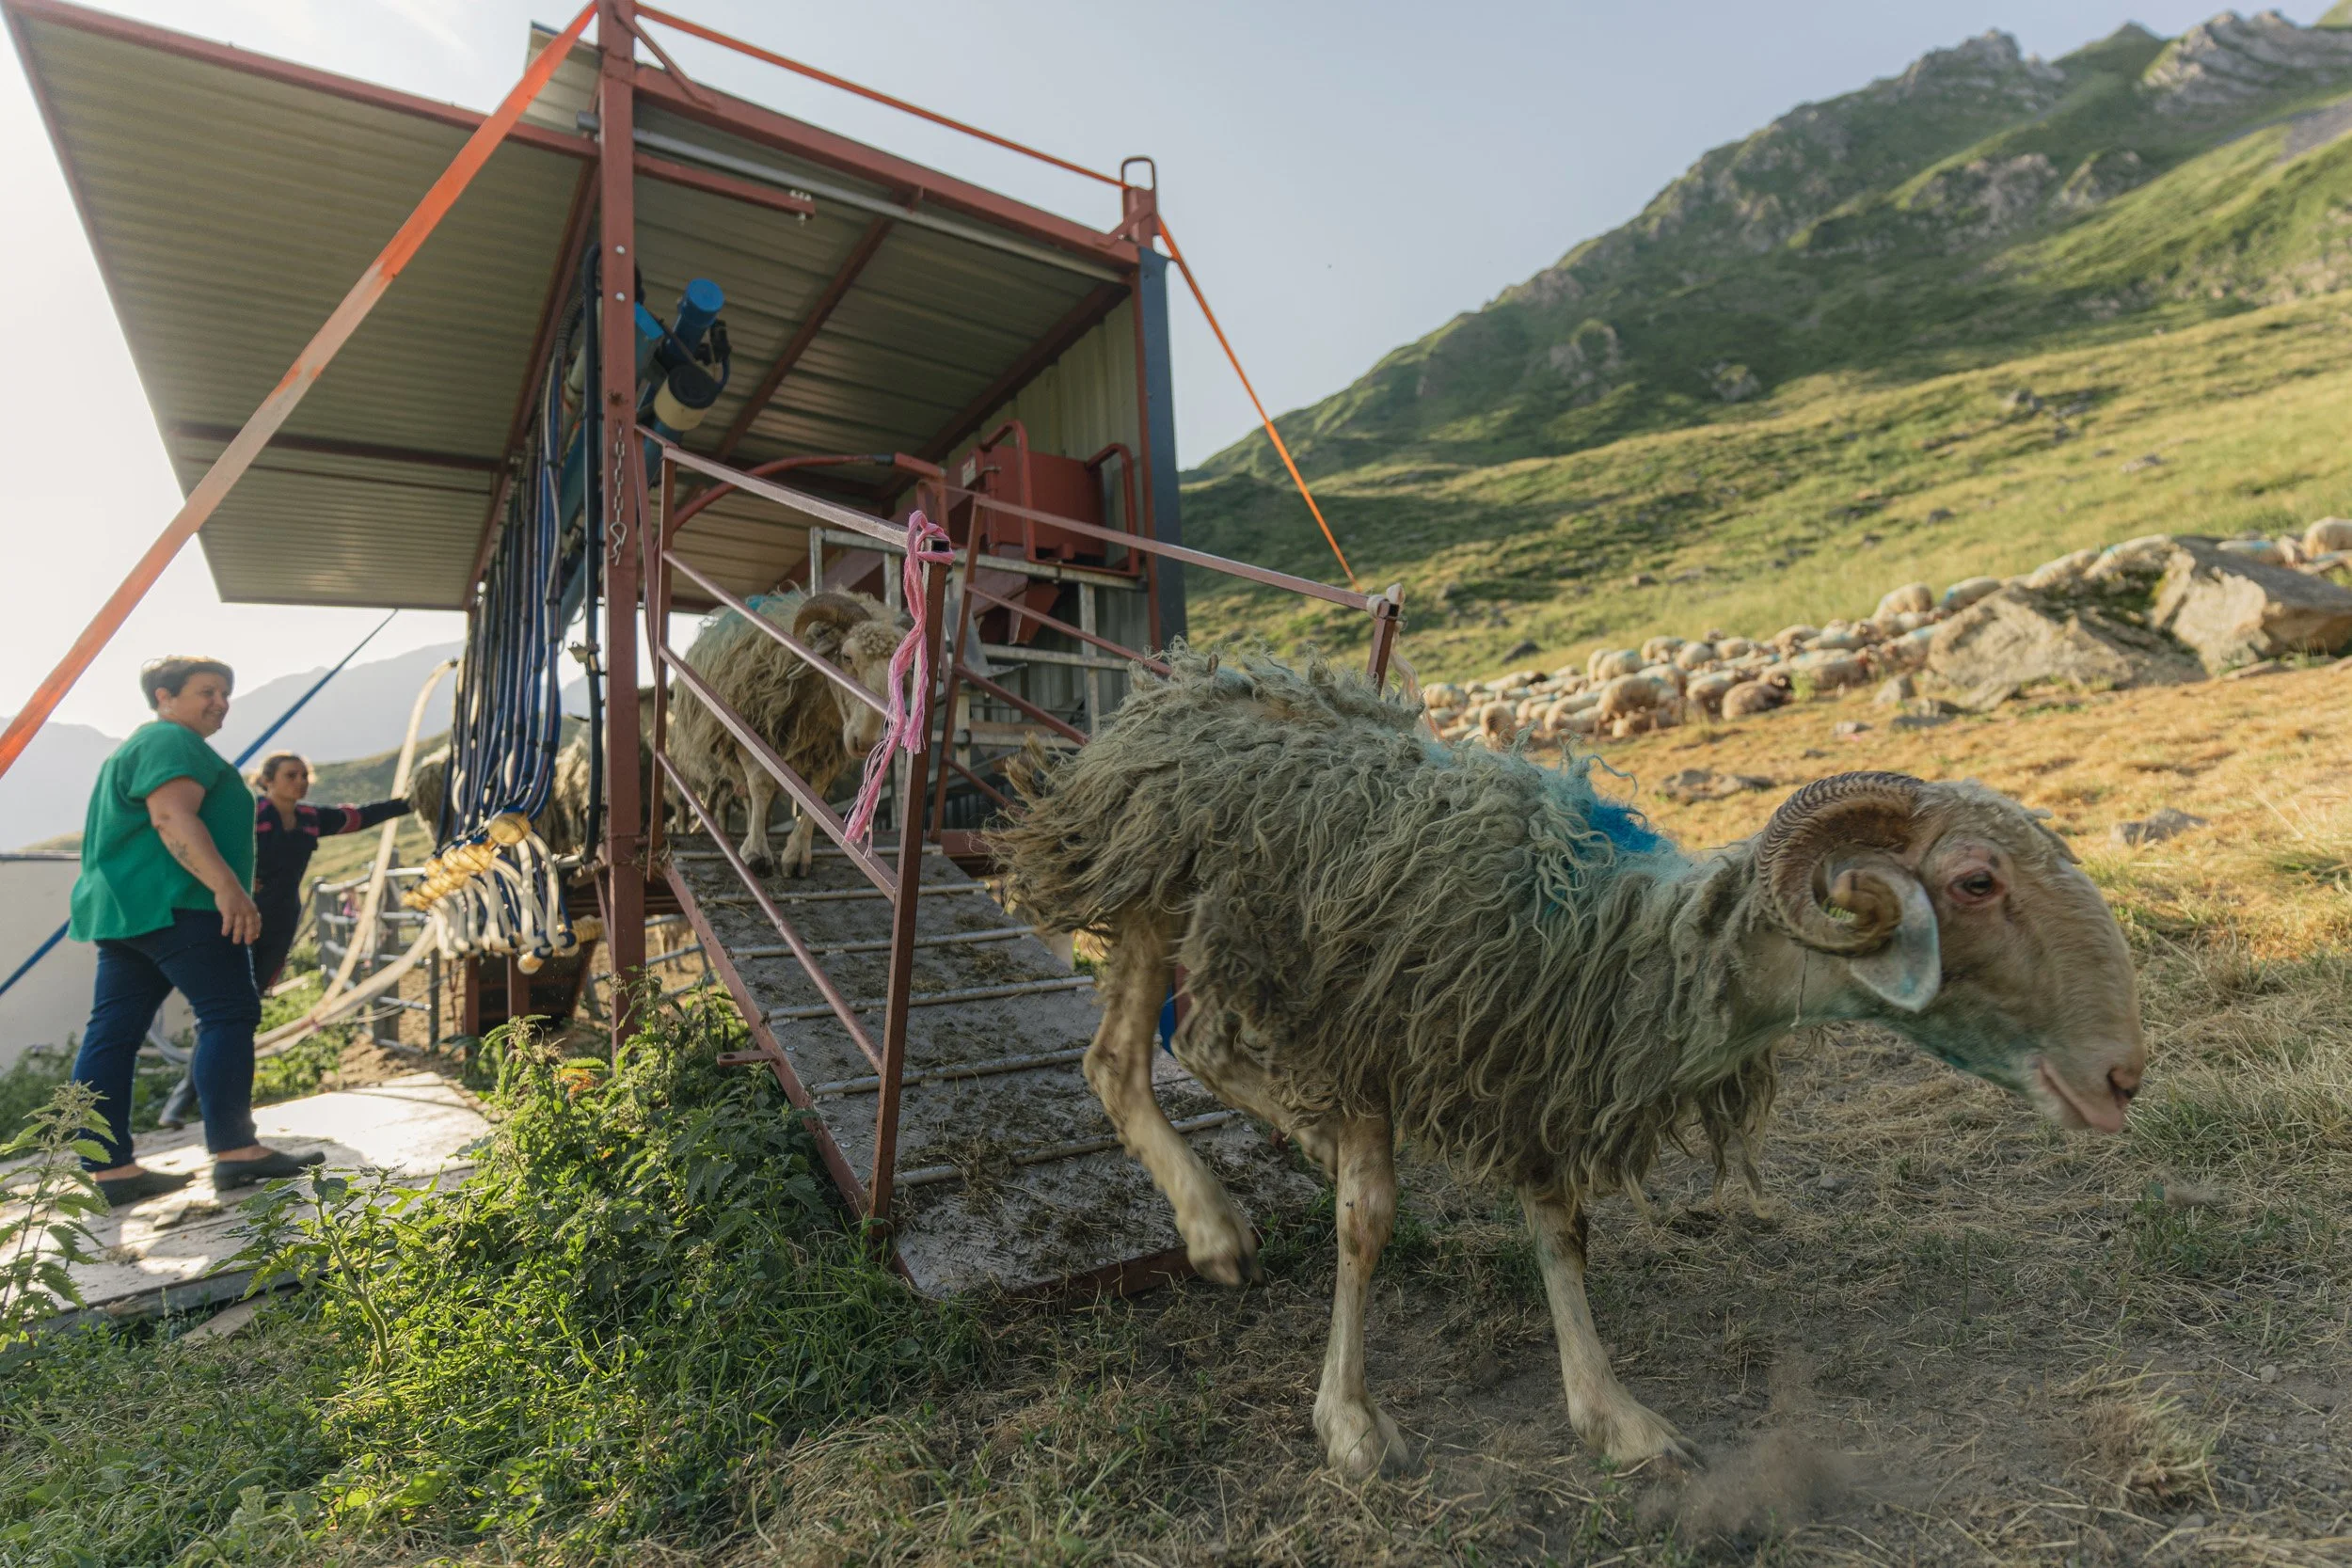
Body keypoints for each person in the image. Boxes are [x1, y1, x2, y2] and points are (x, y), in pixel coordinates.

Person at [67, 657, 325, 1206]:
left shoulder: (142, 746)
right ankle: (235, 1151)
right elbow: (171, 818)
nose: (220, 702)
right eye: (206, 691)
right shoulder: (170, 742)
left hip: (128, 911)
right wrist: (228, 888)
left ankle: (110, 1169)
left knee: (113, 1032)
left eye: (226, 693)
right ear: (165, 696)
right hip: (181, 904)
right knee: (230, 1012)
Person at [155, 753, 406, 1129]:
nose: (301, 782)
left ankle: (220, 1102)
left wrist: (411, 800)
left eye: (305, 775)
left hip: (280, 922)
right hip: (237, 917)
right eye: (291, 775)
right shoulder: (249, 816)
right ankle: (187, 1101)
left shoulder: (309, 820)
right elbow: (206, 846)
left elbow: (359, 816)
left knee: (247, 1008)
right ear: (267, 781)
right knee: (224, 1007)